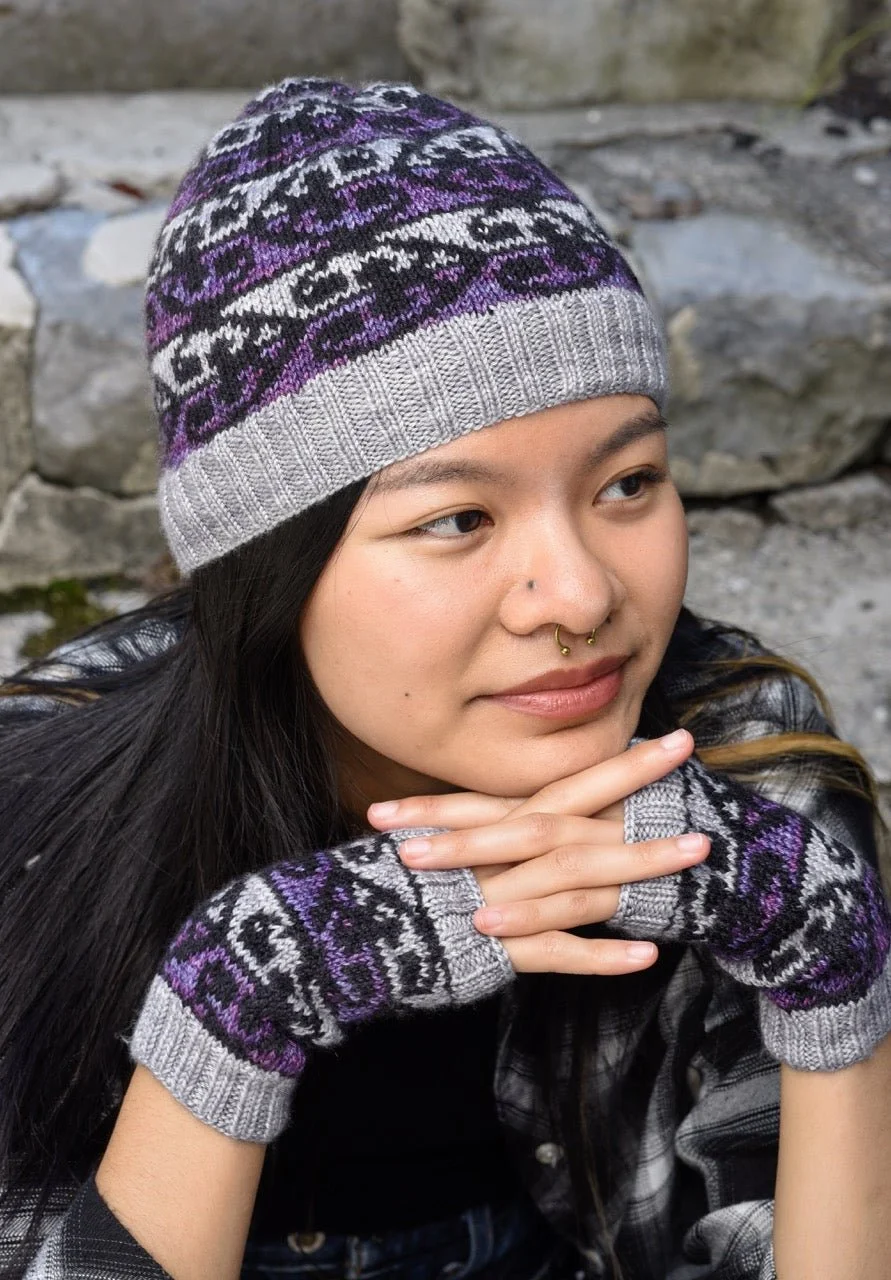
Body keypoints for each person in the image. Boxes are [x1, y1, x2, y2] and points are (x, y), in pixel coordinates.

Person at [0, 76, 889, 1280]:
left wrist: (836, 979)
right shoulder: (44, 810)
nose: (579, 594)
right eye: (461, 516)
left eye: (626, 482)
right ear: (271, 562)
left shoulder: (748, 779)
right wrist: (240, 999)